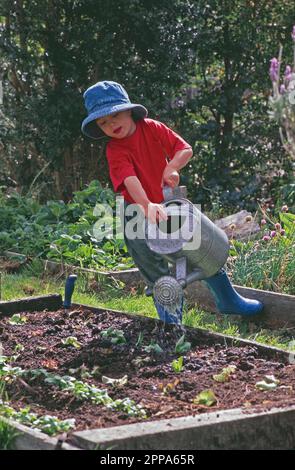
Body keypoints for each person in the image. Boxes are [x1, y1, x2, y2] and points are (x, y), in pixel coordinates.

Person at [81, 81, 263, 323]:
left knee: (201, 244)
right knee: (152, 265)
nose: (111, 124)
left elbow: (184, 149)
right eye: (103, 122)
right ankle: (171, 320)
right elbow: (129, 179)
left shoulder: (152, 128)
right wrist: (147, 206)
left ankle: (228, 299)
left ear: (128, 110)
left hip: (169, 202)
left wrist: (172, 167)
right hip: (136, 211)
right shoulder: (115, 149)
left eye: (115, 115)